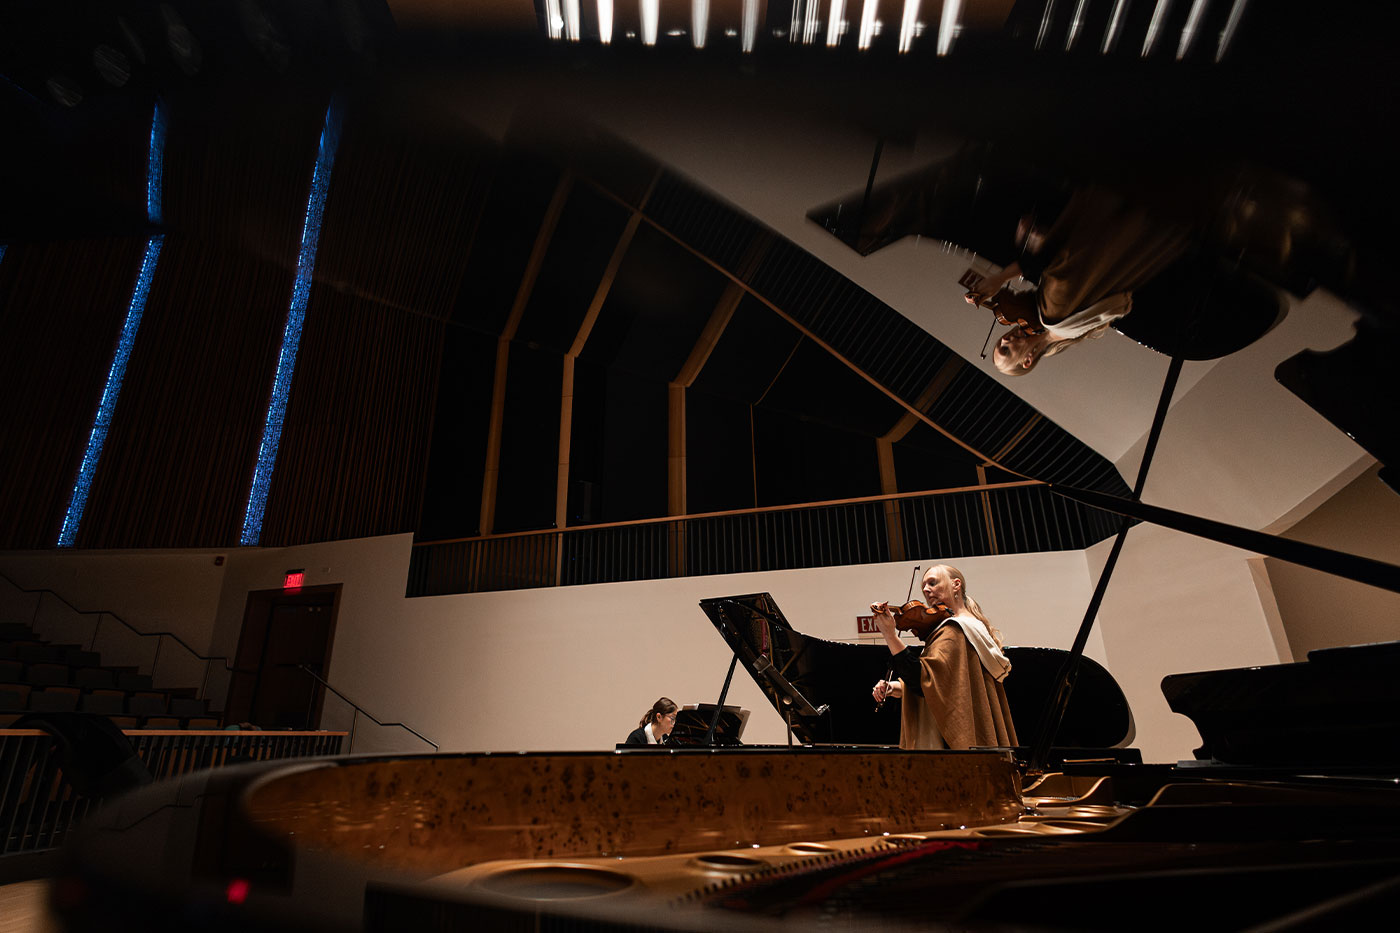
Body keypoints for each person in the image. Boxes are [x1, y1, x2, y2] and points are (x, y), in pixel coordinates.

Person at [966, 186, 1194, 375]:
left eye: (999, 344)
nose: (1005, 340)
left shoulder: (1061, 330)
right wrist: (1002, 276)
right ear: (1027, 360)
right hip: (1127, 210)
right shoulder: (1053, 318)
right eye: (1006, 351)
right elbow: (1068, 256)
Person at [870, 565, 1018, 750]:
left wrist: (890, 636)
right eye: (924, 586)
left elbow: (922, 680)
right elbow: (944, 685)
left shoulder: (954, 630)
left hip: (949, 746)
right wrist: (894, 687)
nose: (925, 589)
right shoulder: (971, 628)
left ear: (956, 585)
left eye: (933, 582)